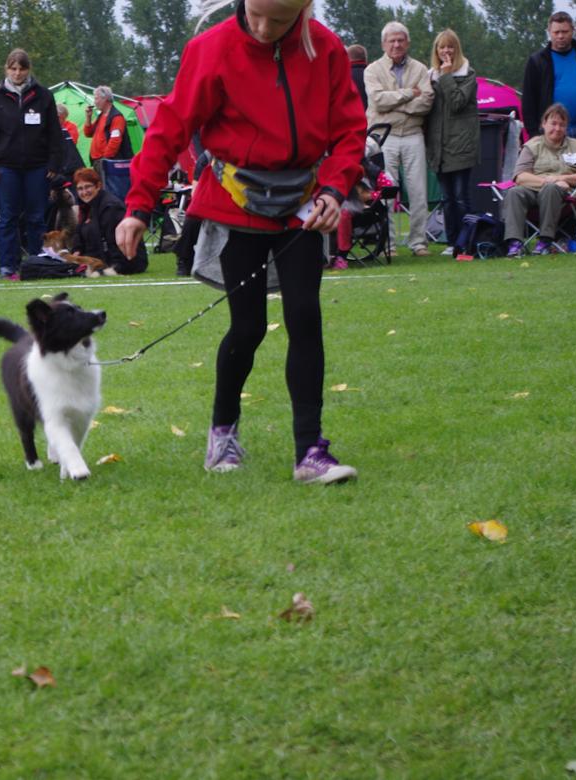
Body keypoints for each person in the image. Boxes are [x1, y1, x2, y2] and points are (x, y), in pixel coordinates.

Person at [116, 0, 366, 483]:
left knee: (304, 317)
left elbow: (350, 130)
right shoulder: (209, 49)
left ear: (302, 13)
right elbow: (170, 126)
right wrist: (137, 208)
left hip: (304, 206)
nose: (263, 29)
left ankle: (309, 451)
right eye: (256, 15)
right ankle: (223, 432)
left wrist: (335, 188)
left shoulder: (328, 49)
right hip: (235, 203)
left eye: (280, 21)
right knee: (248, 327)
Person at [0, 49, 62, 277]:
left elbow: (55, 133)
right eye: (13, 68)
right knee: (7, 218)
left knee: (36, 218)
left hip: (38, 168)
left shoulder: (44, 96)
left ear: (28, 69)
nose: (17, 73)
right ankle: (8, 265)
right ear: (6, 69)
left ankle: (38, 263)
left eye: (22, 68)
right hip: (6, 168)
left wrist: (54, 165)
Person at [365, 21, 433, 256]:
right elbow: (377, 101)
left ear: (408, 43)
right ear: (384, 44)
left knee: (418, 191)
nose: (396, 44)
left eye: (400, 40)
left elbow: (426, 102)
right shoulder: (372, 70)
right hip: (384, 138)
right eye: (392, 40)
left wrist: (396, 105)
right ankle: (388, 244)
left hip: (414, 135)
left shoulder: (421, 69)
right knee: (386, 191)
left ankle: (418, 242)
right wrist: (407, 95)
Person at [503, 103, 576, 257]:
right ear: (544, 124)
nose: (557, 128)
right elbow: (520, 176)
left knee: (551, 189)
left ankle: (545, 240)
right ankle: (514, 243)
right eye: (553, 123)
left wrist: (562, 178)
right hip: (534, 189)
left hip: (565, 194)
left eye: (562, 125)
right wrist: (547, 181)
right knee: (514, 192)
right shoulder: (531, 146)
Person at [425, 29, 478, 256]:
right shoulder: (429, 76)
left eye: (450, 47)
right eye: (441, 47)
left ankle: (466, 241)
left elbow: (457, 102)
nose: (445, 51)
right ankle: (452, 241)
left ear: (457, 49)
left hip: (462, 146)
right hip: (439, 147)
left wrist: (446, 76)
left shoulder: (469, 75)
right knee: (446, 199)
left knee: (460, 197)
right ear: (436, 51)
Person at [521, 12, 576, 142]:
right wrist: (534, 134)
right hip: (550, 132)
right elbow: (529, 100)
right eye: (556, 32)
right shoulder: (537, 61)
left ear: (573, 31)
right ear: (549, 32)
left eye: (565, 31)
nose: (561, 36)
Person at [71, 168, 146, 274]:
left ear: (98, 186)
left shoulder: (111, 207)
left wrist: (113, 267)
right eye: (80, 189)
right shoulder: (86, 207)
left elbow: (114, 242)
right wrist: (77, 251)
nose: (84, 192)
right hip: (96, 260)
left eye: (88, 187)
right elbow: (78, 234)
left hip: (123, 262)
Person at [82, 85, 131, 165]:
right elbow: (88, 133)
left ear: (105, 99)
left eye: (96, 98)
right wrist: (88, 117)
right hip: (98, 160)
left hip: (108, 162)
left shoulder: (116, 117)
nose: (94, 102)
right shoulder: (102, 116)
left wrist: (105, 160)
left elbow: (115, 141)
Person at [347, 44, 368, 111]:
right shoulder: (372, 74)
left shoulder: (344, 77)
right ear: (365, 57)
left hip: (352, 115)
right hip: (371, 116)